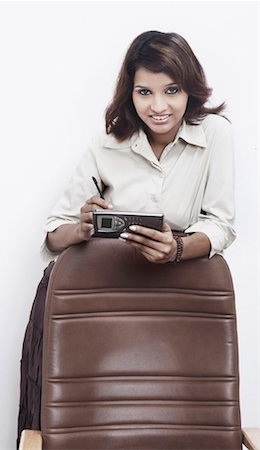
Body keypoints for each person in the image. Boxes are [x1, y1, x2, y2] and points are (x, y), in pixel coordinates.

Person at [17, 30, 236, 447]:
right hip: (102, 298)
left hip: (180, 294)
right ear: (129, 92)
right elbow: (53, 232)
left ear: (190, 87)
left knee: (175, 411)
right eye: (144, 91)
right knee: (96, 414)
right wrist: (82, 228)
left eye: (171, 90)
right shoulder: (108, 141)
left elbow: (221, 224)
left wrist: (176, 250)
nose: (158, 106)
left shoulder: (215, 134)